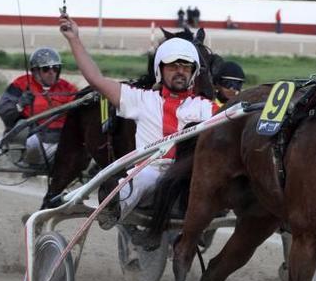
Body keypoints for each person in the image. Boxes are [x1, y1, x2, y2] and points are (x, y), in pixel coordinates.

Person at [58, 13, 216, 229]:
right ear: (160, 70)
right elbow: (96, 79)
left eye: (185, 67)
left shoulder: (207, 107)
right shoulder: (141, 99)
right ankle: (115, 207)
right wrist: (74, 39)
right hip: (149, 171)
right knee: (143, 178)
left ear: (194, 71)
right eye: (173, 66)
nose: (180, 71)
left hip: (188, 174)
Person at [0, 47, 78, 166]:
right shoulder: (21, 84)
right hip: (32, 137)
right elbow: (2, 108)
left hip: (61, 139)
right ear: (35, 71)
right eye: (46, 69)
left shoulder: (67, 88)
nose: (51, 72)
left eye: (55, 68)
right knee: (27, 136)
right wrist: (20, 104)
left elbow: (79, 110)